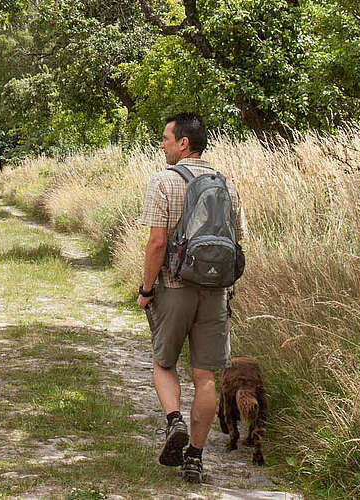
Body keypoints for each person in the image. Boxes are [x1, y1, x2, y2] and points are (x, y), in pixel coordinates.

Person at [136, 112, 246, 483]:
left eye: (166, 139)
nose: (163, 145)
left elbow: (157, 242)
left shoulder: (164, 182)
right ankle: (195, 458)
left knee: (164, 363)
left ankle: (174, 421)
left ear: (184, 143)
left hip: (174, 287)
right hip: (215, 292)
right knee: (206, 377)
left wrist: (146, 289)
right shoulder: (227, 185)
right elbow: (237, 241)